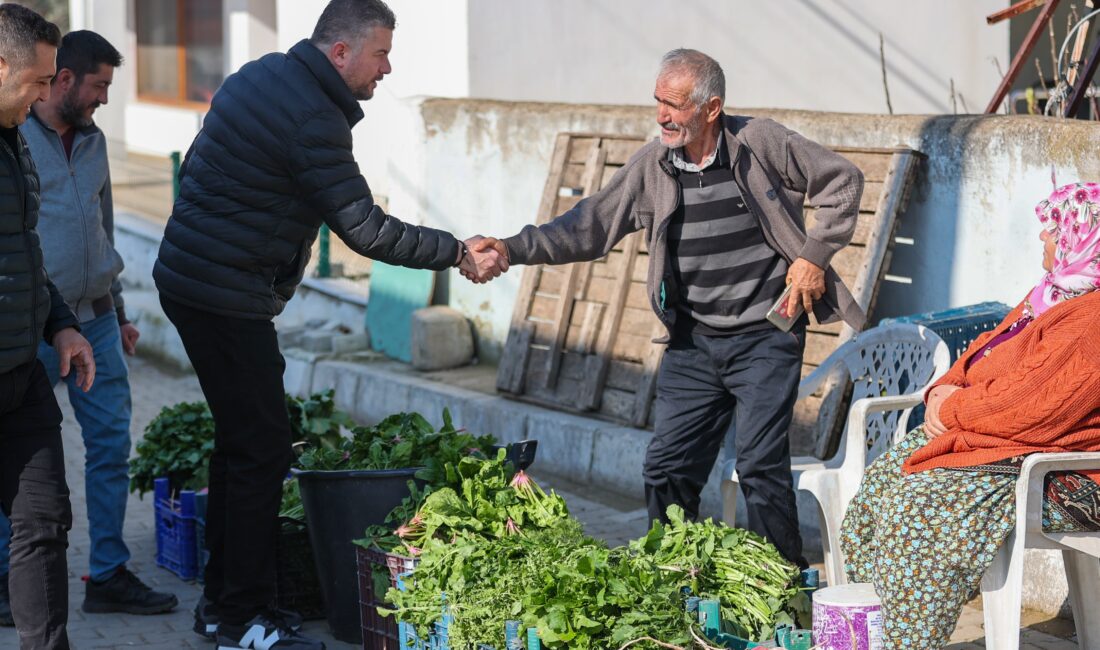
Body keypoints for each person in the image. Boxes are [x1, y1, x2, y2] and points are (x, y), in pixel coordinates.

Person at [152, 1, 505, 647]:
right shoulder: (312, 118)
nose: (387, 68)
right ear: (340, 52)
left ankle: (221, 606)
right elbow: (365, 229)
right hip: (223, 295)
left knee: (242, 446)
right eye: (380, 54)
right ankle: (240, 620)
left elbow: (204, 166)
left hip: (192, 278)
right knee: (262, 451)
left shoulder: (262, 74)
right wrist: (456, 251)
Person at [473, 49, 865, 568]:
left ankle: (782, 586)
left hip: (766, 337)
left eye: (675, 105)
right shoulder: (653, 167)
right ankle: (677, 576)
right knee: (666, 468)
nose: (662, 115)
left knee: (758, 465)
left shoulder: (760, 142)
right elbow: (588, 225)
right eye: (658, 101)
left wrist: (813, 257)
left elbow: (843, 180)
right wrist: (510, 247)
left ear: (711, 108)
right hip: (693, 340)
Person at [841, 182, 1100, 648]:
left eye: (1054, 228)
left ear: (1082, 238)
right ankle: (874, 631)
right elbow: (983, 351)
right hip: (992, 436)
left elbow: (1030, 408)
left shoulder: (1091, 321)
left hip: (1054, 464)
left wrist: (952, 407)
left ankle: (908, 640)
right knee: (878, 488)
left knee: (915, 508)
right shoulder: (1050, 295)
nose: (1043, 236)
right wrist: (941, 390)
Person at [0, 30, 178, 621]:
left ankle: (107, 573)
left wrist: (119, 313)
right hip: (34, 326)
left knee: (110, 446)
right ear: (65, 80)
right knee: (15, 456)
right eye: (99, 85)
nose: (104, 97)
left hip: (96, 321)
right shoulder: (15, 135)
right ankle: (7, 580)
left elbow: (102, 228)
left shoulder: (97, 141)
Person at [0, 4, 98, 648]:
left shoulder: (13, 138)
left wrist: (61, 324)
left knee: (44, 521)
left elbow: (24, 249)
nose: (44, 95)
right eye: (37, 80)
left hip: (20, 376)